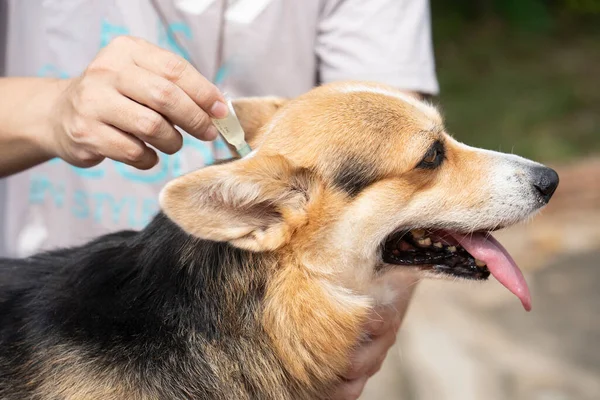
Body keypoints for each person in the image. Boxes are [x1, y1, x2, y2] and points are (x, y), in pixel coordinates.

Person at [0, 1, 438, 398]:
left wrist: (386, 289)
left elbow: (397, 152)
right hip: (53, 318)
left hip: (287, 332)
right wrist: (52, 108)